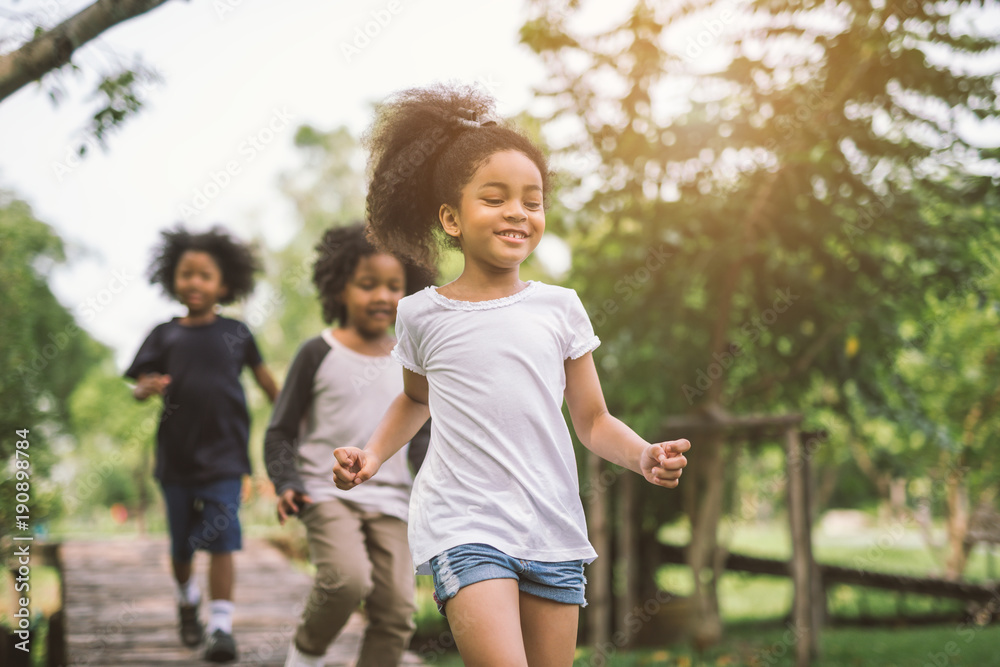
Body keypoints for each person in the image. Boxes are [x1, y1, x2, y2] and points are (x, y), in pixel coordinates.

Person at [332, 84, 691, 667]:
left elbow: (593, 420)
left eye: (532, 199)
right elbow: (414, 400)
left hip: (550, 524)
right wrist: (373, 455)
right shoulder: (421, 313)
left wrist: (642, 455)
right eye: (494, 198)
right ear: (451, 217)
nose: (517, 213)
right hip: (463, 523)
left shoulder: (561, 308)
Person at [264, 223, 433, 667]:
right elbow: (280, 430)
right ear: (339, 288)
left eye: (394, 286)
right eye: (367, 284)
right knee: (345, 580)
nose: (382, 296)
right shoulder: (316, 353)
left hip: (393, 501)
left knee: (397, 610)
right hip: (324, 492)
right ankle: (305, 655)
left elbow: (422, 438)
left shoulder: (411, 360)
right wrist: (286, 481)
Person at [125, 225, 278, 663]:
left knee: (224, 540)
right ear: (172, 279)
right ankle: (186, 597)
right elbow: (137, 385)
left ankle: (221, 628)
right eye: (186, 274)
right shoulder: (163, 334)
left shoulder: (238, 333)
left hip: (227, 457)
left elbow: (268, 383)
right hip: (176, 459)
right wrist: (145, 388)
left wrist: (293, 416)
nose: (194, 282)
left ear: (224, 284)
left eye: (204, 275)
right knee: (180, 548)